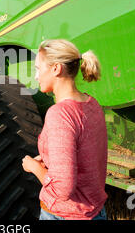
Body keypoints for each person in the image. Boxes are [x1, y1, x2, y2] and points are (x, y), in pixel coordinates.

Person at [22, 39, 108, 220]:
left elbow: (62, 188)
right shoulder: (92, 104)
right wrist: (48, 159)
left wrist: (34, 167)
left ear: (56, 69)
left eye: (38, 69)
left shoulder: (59, 114)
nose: (36, 76)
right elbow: (85, 155)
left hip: (63, 214)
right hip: (96, 211)